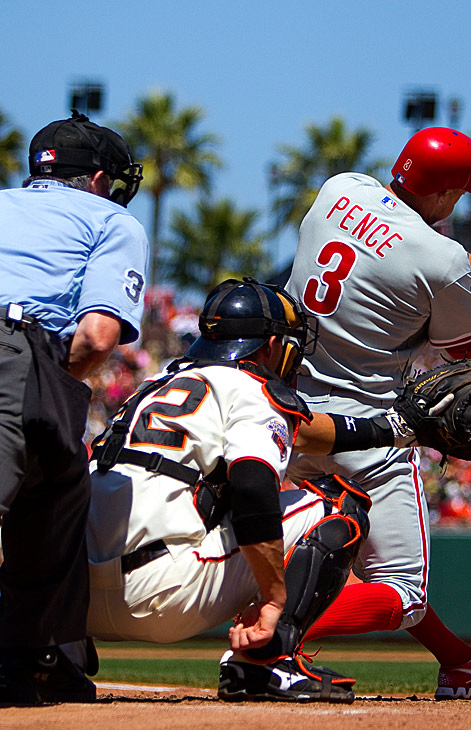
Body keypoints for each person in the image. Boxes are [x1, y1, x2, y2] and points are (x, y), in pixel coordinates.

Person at [284, 126, 471, 700]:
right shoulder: (437, 258)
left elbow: (421, 249)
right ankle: (267, 639)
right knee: (403, 591)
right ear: (448, 194)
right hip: (366, 431)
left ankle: (461, 663)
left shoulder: (340, 188)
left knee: (308, 552)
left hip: (286, 415)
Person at [84, 278, 431, 704]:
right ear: (269, 345)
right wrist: (273, 596)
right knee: (339, 502)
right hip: (159, 595)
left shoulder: (156, 385)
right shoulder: (251, 388)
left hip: (73, 601)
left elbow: (307, 432)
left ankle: (48, 657)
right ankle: (268, 659)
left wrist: (391, 429)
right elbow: (252, 483)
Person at [0, 111, 147, 706]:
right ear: (95, 179)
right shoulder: (110, 218)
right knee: (53, 501)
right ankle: (35, 659)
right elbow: (97, 338)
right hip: (19, 354)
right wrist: (45, 382)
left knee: (61, 487)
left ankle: (39, 663)